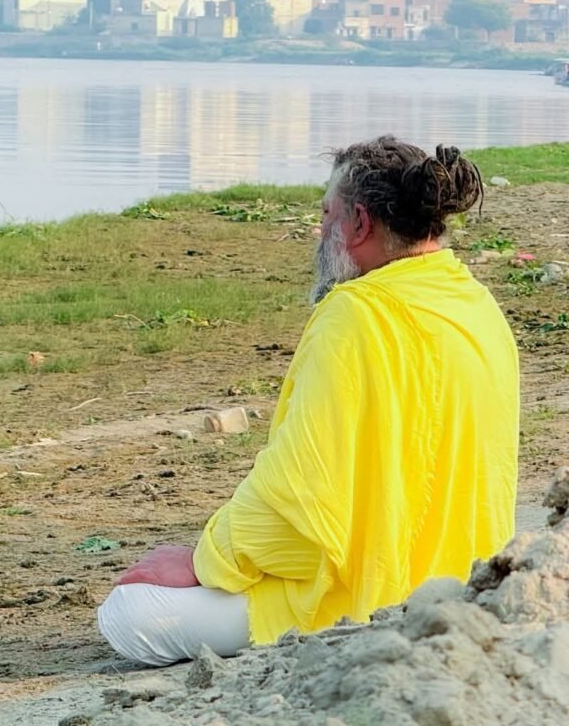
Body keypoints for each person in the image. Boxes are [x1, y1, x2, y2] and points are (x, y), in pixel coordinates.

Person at [97, 136, 520, 666]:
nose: (320, 232)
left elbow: (301, 491)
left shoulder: (354, 313)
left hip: (366, 598)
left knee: (128, 612)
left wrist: (206, 563)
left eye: (327, 215)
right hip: (460, 587)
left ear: (360, 224)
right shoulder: (477, 303)